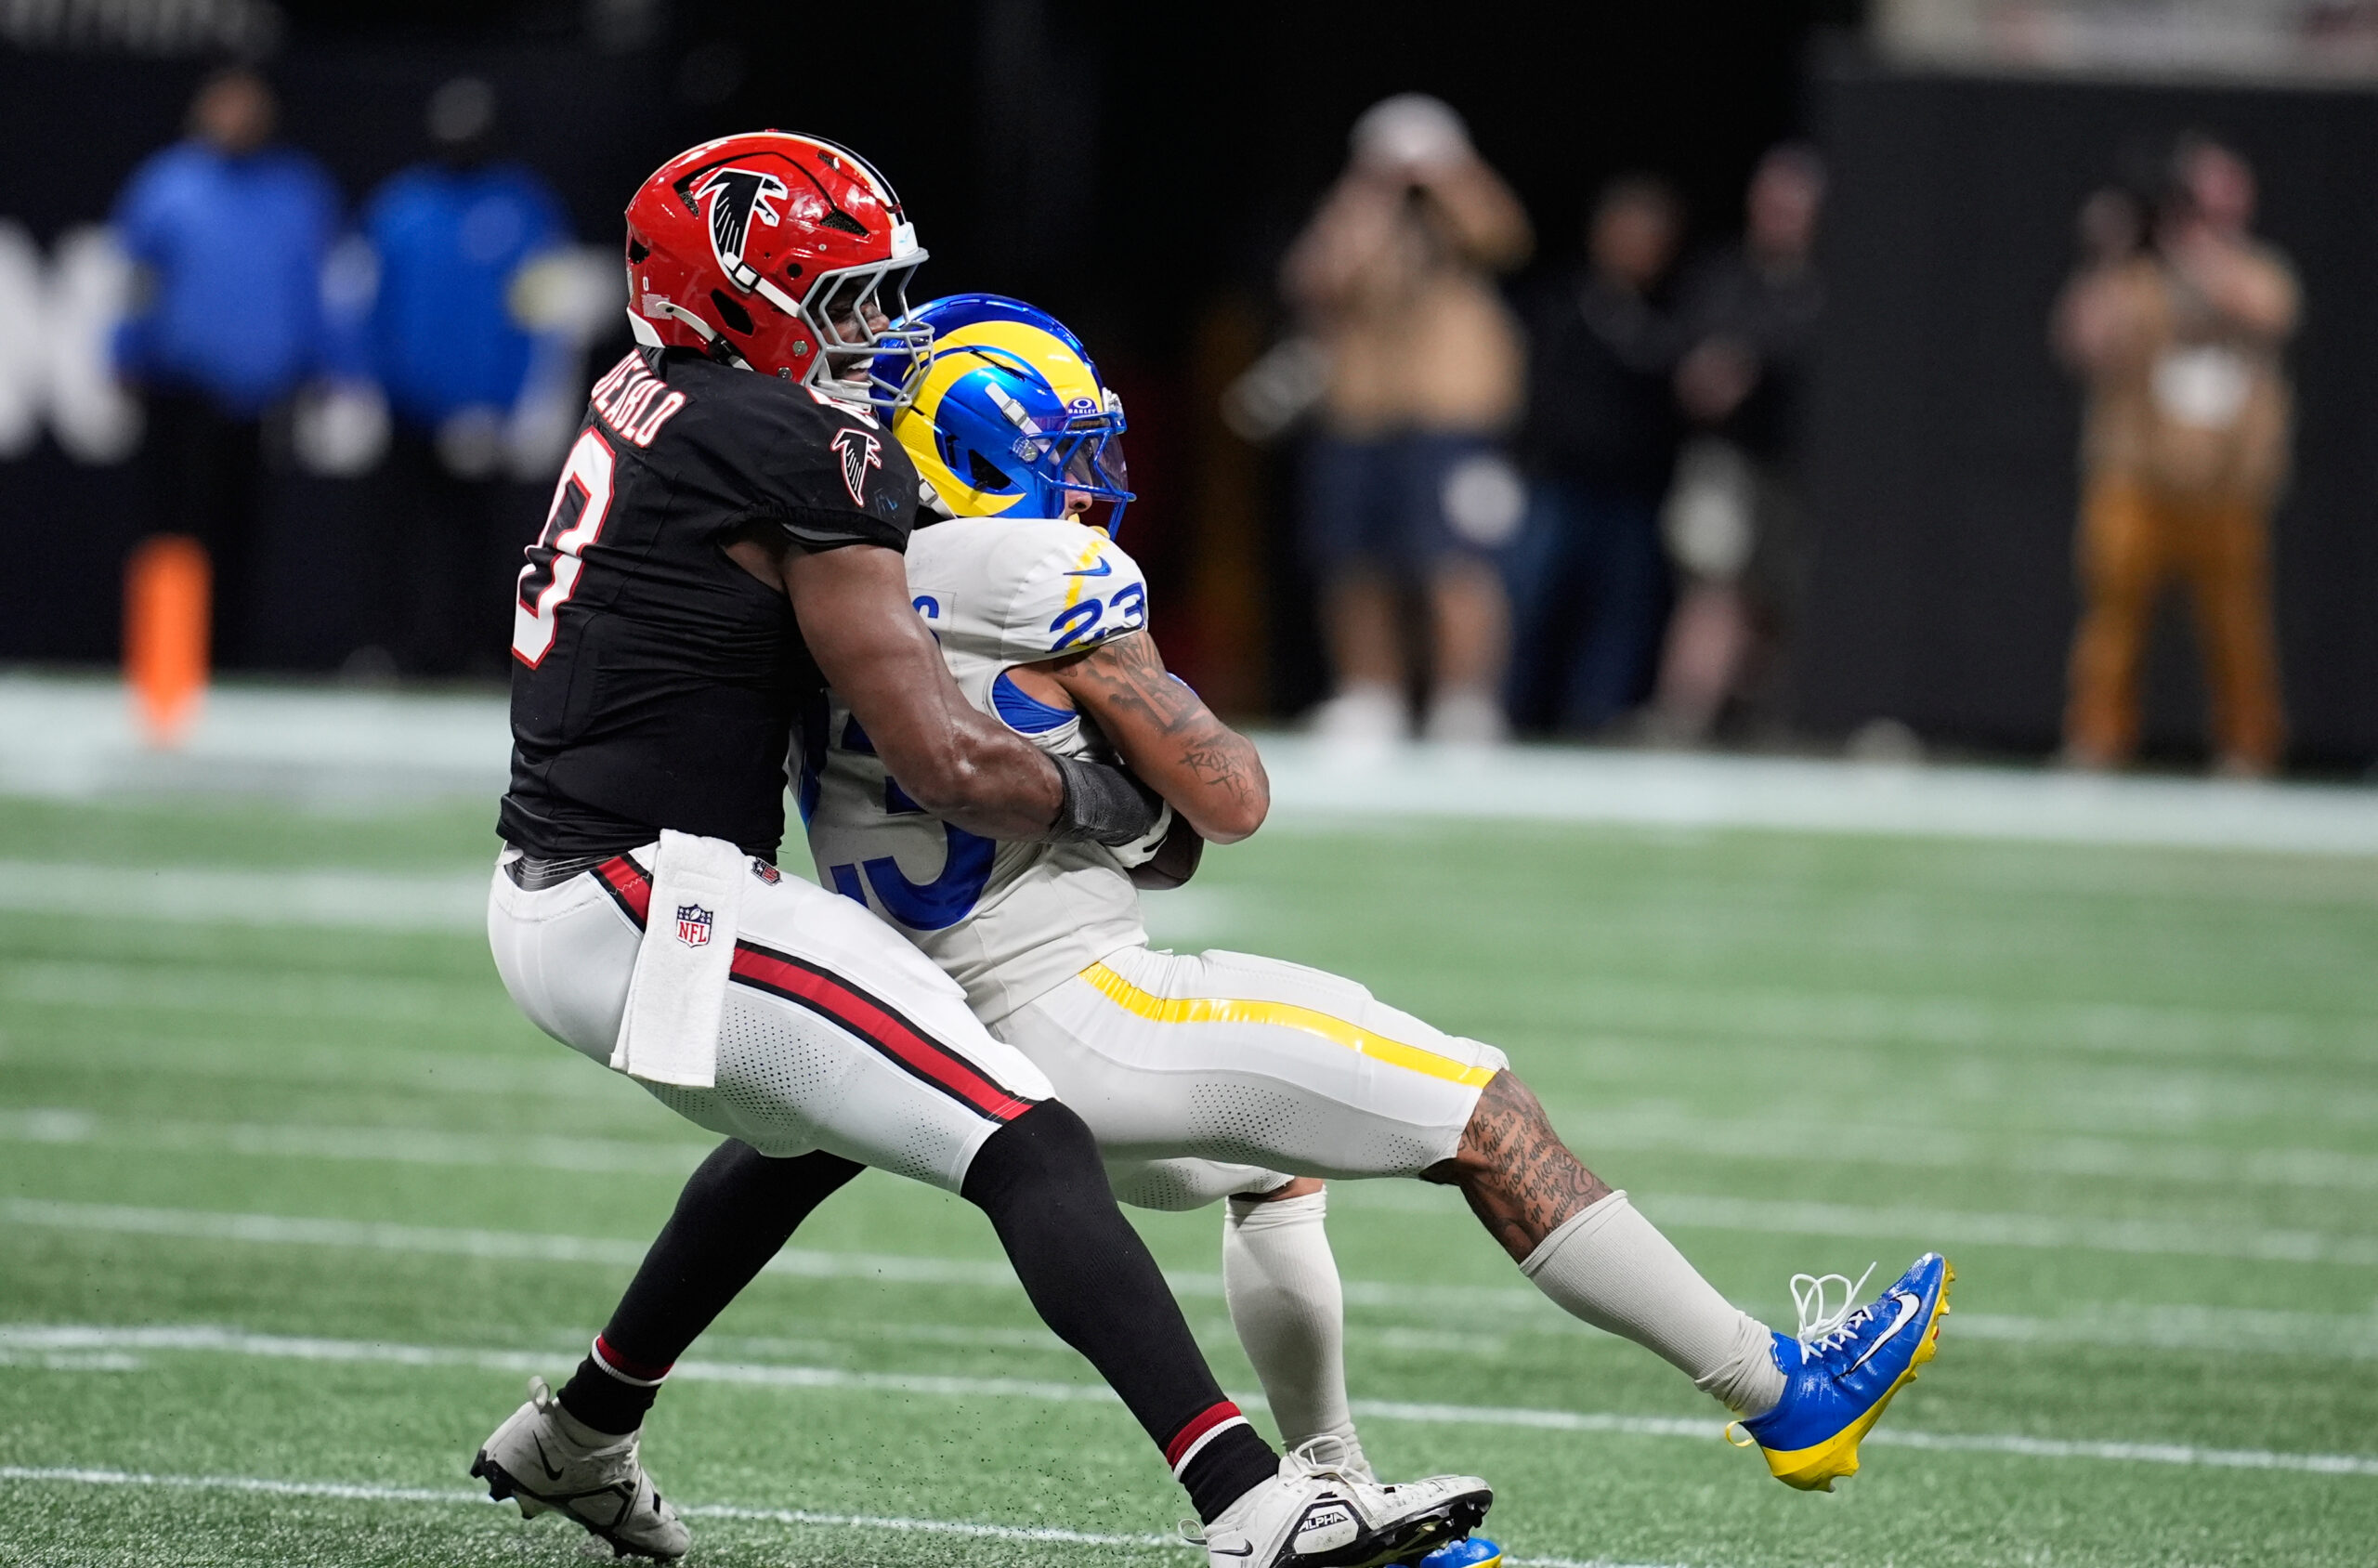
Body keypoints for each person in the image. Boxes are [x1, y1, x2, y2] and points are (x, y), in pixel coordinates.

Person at [557, 294, 1955, 1561]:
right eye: (1060, 447)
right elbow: (1231, 798)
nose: (1085, 477)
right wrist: (1129, 792)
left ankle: (1333, 1479)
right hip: (1083, 1012)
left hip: (929, 1025)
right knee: (1484, 1111)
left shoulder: (833, 564)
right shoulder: (1046, 571)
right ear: (981, 450)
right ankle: (1783, 1394)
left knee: (1265, 1180)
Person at [469, 132, 1492, 1568]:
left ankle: (578, 1432)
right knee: (1026, 1135)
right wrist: (1117, 810)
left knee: (819, 1128)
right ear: (741, 297)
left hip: (577, 887)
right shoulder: (791, 442)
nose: (872, 336)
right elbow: (947, 757)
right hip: (653, 901)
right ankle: (1257, 1503)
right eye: (842, 303)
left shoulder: (650, 394)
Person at [1281, 94, 1533, 747]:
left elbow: (1506, 238)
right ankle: (1372, 696)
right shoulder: (1358, 219)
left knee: (1457, 564)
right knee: (1353, 565)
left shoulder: (1463, 228)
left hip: (1450, 423)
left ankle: (1465, 702)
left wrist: (1449, 172)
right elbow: (1315, 280)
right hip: (1360, 421)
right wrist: (1370, 189)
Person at [2055, 136, 2298, 776]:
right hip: (2137, 480)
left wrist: (2199, 256)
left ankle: (2248, 749)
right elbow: (2084, 344)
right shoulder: (2135, 280)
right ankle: (2096, 742)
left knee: (2238, 631)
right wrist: (2107, 256)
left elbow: (2271, 313)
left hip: (2227, 487)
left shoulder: (2256, 270)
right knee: (2112, 625)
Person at [111, 66, 341, 666]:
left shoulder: (296, 191)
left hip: (261, 399)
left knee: (242, 533)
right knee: (171, 530)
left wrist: (324, 365)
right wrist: (126, 352)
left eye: (249, 109)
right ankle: (165, 658)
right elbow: (137, 283)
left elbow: (312, 289)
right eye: (226, 107)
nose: (237, 121)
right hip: (180, 390)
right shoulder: (166, 187)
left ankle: (230, 655)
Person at [348, 77, 571, 676]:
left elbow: (544, 314)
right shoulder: (400, 207)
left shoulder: (524, 209)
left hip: (485, 414)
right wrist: (360, 386)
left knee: (484, 541)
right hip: (406, 407)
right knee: (394, 536)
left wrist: (528, 404)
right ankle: (389, 648)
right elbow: (368, 303)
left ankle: (477, 649)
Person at [1650, 145, 1827, 745]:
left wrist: (1754, 366)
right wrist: (1704, 372)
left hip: (1801, 466)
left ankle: (1773, 722)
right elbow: (1680, 347)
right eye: (1769, 200)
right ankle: (1683, 715)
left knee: (1783, 598)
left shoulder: (1832, 284)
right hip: (1726, 458)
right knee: (1714, 583)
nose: (1777, 214)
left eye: (1792, 203)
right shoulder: (1722, 276)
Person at [1505, 176, 1686, 736]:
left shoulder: (1675, 317)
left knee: (1622, 615)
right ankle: (1509, 713)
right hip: (1557, 485)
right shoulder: (1558, 305)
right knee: (1529, 603)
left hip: (1633, 493)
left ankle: (1598, 720)